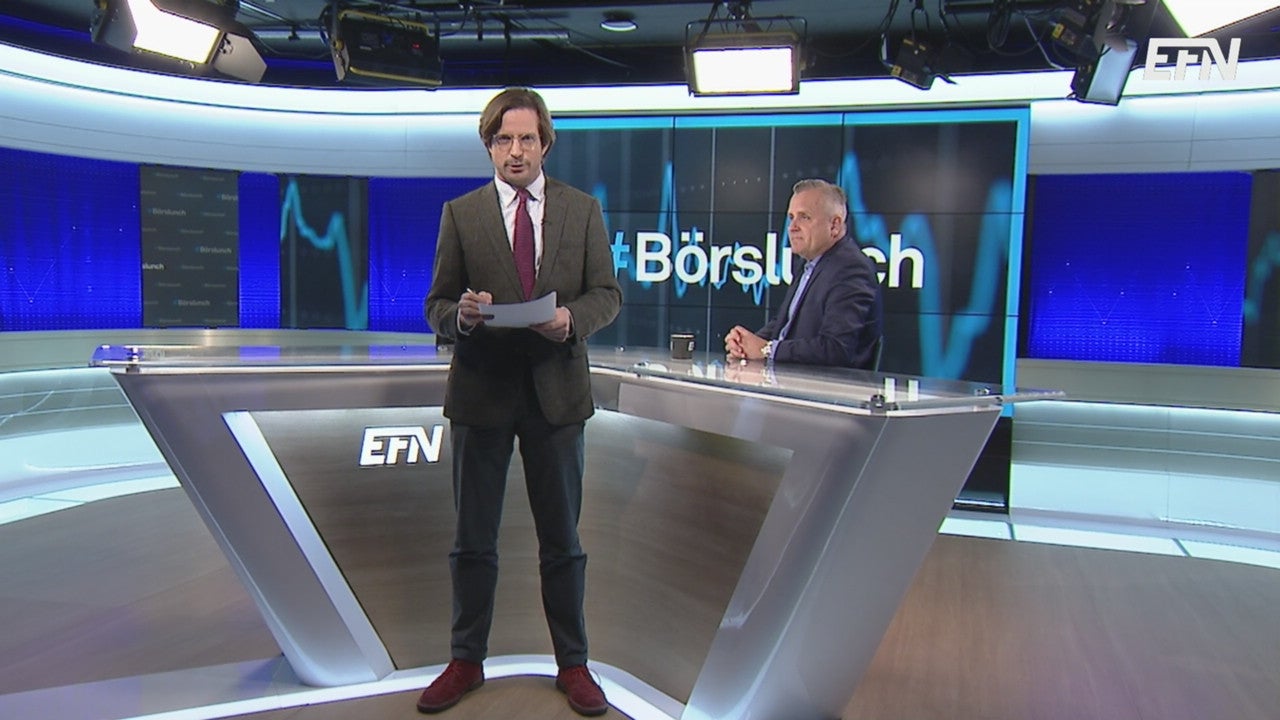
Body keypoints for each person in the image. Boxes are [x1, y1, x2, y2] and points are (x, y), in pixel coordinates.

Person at [419, 87, 622, 717]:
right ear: (489, 146)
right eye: (504, 139)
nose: (516, 150)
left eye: (527, 138)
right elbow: (436, 305)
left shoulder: (582, 210)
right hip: (481, 393)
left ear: (544, 144)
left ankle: (574, 665)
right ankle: (465, 659)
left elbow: (607, 294)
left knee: (563, 542)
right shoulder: (461, 214)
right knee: (472, 540)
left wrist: (571, 320)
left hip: (556, 395)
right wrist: (463, 316)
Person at [724, 178, 882, 368]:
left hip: (825, 384)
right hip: (787, 378)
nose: (792, 227)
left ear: (834, 225)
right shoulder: (808, 264)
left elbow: (836, 348)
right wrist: (746, 344)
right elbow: (786, 323)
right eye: (791, 217)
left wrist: (766, 349)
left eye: (804, 217)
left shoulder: (851, 269)